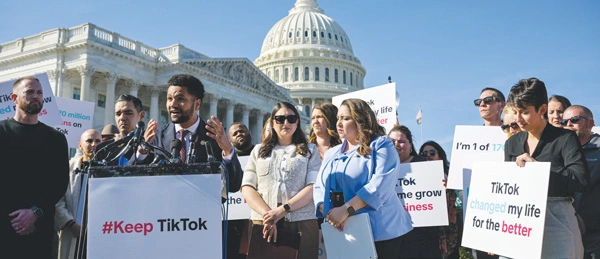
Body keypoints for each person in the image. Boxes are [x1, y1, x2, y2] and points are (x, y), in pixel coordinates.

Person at [314, 98, 413, 258]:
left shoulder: (382, 145)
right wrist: (328, 212)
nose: (338, 123)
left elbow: (379, 185)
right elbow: (319, 187)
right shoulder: (332, 153)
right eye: (338, 118)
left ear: (361, 120)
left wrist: (345, 210)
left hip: (381, 233)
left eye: (345, 118)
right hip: (342, 230)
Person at [504, 77, 589, 258]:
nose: (518, 119)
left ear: (542, 109)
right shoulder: (512, 144)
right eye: (516, 112)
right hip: (520, 222)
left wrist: (540, 170)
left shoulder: (565, 138)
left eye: (525, 113)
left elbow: (580, 180)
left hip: (558, 220)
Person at [241, 102, 321, 259]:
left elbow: (313, 187)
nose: (286, 123)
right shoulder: (258, 150)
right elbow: (247, 186)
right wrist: (268, 215)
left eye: (291, 118)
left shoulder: (310, 150)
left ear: (297, 122)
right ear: (272, 122)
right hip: (263, 222)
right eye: (280, 119)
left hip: (301, 221)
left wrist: (281, 211)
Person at [1, 76, 69, 258]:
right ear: (14, 98)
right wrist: (18, 220)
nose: (36, 96)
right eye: (29, 92)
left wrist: (35, 213)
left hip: (42, 231)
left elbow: (60, 182)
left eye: (39, 92)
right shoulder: (2, 132)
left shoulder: (55, 138)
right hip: (4, 230)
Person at [143, 73, 243, 192]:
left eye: (180, 99)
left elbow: (234, 185)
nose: (172, 104)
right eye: (169, 98)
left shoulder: (214, 137)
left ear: (196, 104)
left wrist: (228, 151)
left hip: (203, 207)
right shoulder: (156, 136)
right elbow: (133, 181)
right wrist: (141, 152)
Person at [388, 125, 440, 258]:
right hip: (395, 232)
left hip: (423, 234)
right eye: (392, 142)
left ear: (410, 145)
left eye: (401, 142)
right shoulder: (382, 167)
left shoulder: (424, 163)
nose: (396, 145)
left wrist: (442, 180)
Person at [55, 129, 101, 259]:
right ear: (80, 145)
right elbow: (58, 199)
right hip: (72, 230)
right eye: (89, 141)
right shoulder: (67, 168)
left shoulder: (107, 169)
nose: (94, 144)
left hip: (96, 232)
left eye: (98, 141)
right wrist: (70, 223)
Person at [563, 105, 599, 259]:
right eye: (564, 122)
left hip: (594, 238)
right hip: (565, 231)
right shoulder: (560, 150)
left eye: (575, 120)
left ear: (590, 123)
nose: (568, 124)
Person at [420, 141, 460, 259]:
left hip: (449, 231)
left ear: (440, 155)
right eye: (424, 153)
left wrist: (451, 186)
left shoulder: (451, 174)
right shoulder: (417, 176)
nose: (428, 155)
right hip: (427, 232)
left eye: (432, 152)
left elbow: (461, 199)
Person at [227, 122, 255, 259]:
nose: (239, 134)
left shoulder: (261, 153)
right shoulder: (227, 159)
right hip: (234, 223)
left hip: (256, 218)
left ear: (249, 133)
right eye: (235, 133)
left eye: (242, 131)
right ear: (230, 140)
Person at [93, 94, 146, 165]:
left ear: (141, 115)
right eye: (118, 114)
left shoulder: (153, 144)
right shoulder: (103, 149)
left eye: (128, 113)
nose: (122, 118)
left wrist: (126, 148)